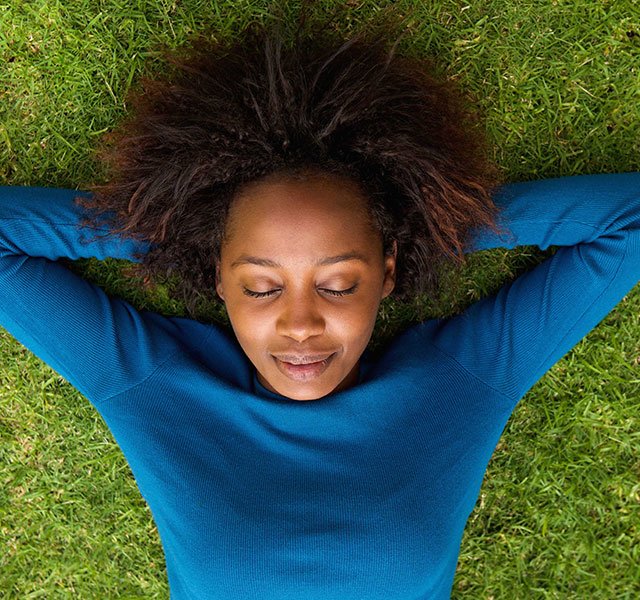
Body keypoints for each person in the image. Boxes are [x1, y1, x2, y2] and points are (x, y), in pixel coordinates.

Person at [1, 11, 638, 600]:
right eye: (259, 285)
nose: (301, 324)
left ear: (388, 272)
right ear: (218, 278)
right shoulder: (153, 383)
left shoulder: (460, 382)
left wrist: (430, 222)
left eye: (338, 284)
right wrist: (187, 227)